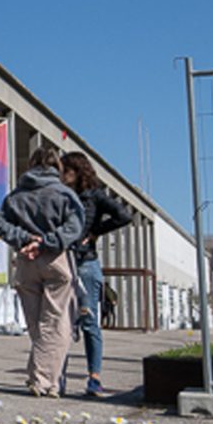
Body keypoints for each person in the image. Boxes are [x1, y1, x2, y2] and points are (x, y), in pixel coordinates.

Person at [0, 146, 85, 397]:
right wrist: (46, 241)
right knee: (55, 325)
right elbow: (75, 227)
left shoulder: (15, 196)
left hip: (25, 261)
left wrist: (25, 239)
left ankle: (47, 379)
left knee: (36, 326)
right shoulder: (65, 195)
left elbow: (1, 225)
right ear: (56, 166)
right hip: (55, 260)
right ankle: (44, 382)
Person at [59, 152, 135, 396]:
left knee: (90, 322)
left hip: (86, 264)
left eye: (66, 170)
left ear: (77, 171)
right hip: (62, 263)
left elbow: (124, 215)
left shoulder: (94, 195)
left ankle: (94, 377)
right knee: (61, 323)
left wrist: (95, 232)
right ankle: (56, 376)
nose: (61, 174)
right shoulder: (60, 196)